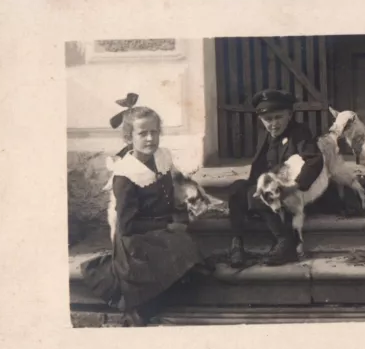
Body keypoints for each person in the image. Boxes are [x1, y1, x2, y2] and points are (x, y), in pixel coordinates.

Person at [80, 94, 209, 327]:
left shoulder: (162, 156)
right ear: (130, 138)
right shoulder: (126, 175)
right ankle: (143, 303)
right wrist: (167, 226)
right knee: (173, 248)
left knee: (185, 245)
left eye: (154, 132)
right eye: (143, 134)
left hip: (159, 225)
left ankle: (168, 291)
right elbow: (127, 226)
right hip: (136, 237)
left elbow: (171, 189)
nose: (150, 139)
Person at [227, 89, 324, 267]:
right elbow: (259, 169)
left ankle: (285, 242)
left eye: (278, 117)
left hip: (294, 190)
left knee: (261, 192)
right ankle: (237, 244)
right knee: (236, 190)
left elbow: (315, 161)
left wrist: (294, 186)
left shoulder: (300, 132)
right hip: (272, 187)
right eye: (268, 119)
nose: (273, 124)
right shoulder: (265, 135)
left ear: (290, 114)